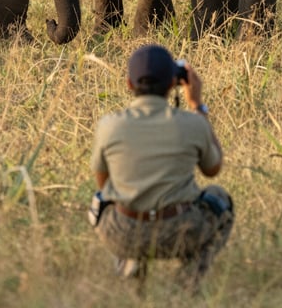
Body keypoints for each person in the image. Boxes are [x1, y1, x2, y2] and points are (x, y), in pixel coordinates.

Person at [89, 43, 234, 287]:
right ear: (172, 84)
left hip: (124, 232)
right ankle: (188, 281)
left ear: (129, 84)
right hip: (180, 230)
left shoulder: (109, 125)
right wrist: (198, 106)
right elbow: (213, 168)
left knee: (98, 201)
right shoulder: (193, 123)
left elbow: (104, 185)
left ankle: (128, 262)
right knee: (221, 200)